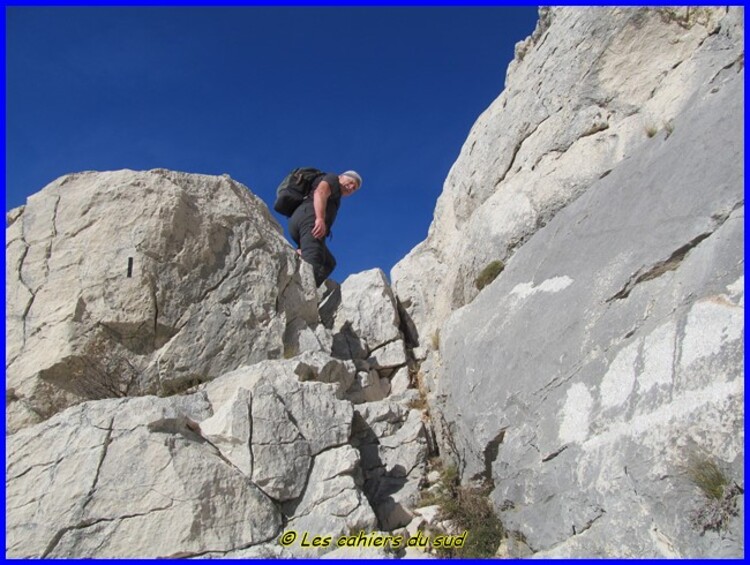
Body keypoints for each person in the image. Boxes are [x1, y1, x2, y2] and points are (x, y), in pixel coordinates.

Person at [289, 170, 362, 287]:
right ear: (341, 177)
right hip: (310, 219)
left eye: (354, 188)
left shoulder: (336, 197)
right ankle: (299, 294)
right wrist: (319, 218)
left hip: (304, 223)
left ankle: (307, 285)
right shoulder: (333, 179)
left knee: (329, 263)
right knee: (313, 259)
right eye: (351, 181)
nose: (351, 187)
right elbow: (320, 192)